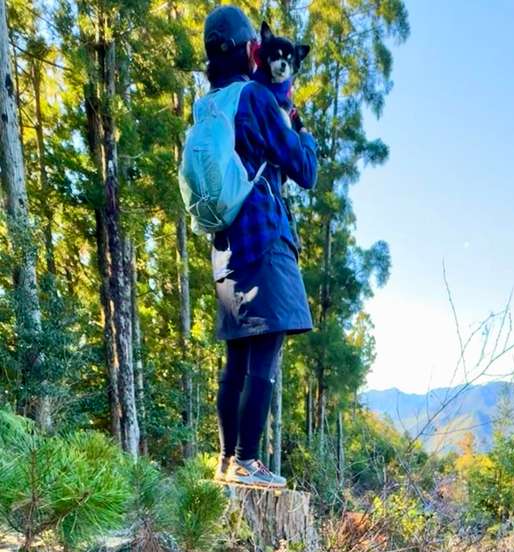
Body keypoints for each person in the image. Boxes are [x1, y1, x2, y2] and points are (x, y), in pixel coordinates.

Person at [203, 5, 318, 488]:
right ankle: (247, 460)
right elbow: (304, 170)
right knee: (265, 353)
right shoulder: (255, 97)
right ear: (251, 49)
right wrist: (301, 130)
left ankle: (227, 460)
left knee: (236, 360)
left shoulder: (209, 104)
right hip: (264, 240)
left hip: (225, 250)